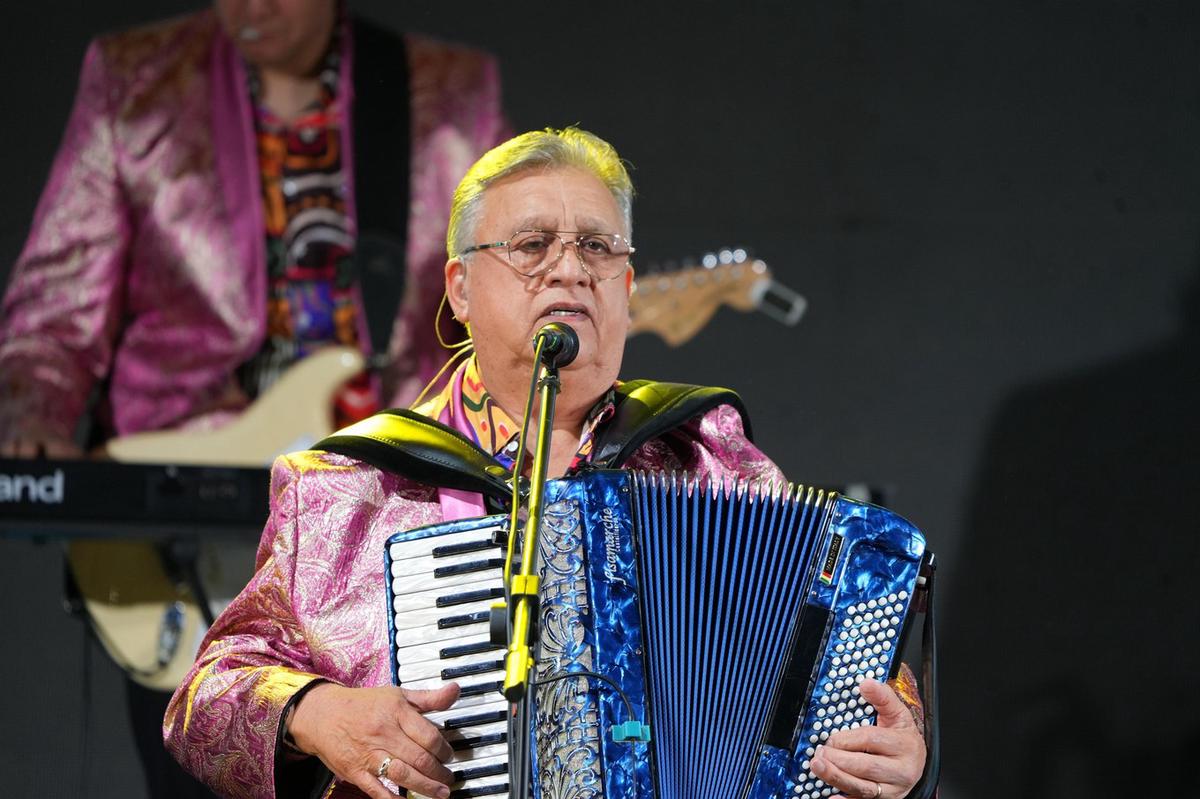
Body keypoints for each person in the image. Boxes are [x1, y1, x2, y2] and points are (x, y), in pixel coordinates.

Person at [164, 127, 929, 799]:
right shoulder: (352, 482)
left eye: (597, 247)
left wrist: (895, 737)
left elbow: (834, 651)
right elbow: (206, 698)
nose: (569, 269)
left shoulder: (708, 453)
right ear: (460, 288)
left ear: (625, 291)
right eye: (532, 246)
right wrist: (315, 712)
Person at [0, 0, 506, 794]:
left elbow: (498, 284)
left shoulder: (448, 89)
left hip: (382, 509)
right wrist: (34, 406)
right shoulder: (136, 79)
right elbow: (56, 303)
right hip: (188, 517)